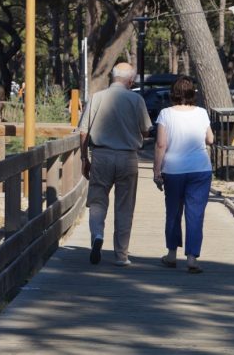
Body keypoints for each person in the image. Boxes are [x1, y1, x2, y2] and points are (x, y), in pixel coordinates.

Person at [79, 63, 152, 266]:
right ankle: (121, 255)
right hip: (127, 157)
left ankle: (97, 234)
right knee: (124, 206)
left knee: (97, 200)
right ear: (130, 81)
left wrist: (84, 158)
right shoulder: (136, 99)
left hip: (101, 155)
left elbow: (84, 131)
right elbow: (146, 130)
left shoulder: (96, 98)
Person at [153, 76, 213, 273]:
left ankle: (171, 255)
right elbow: (210, 139)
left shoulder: (165, 114)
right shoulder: (202, 113)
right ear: (192, 93)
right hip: (200, 169)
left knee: (173, 212)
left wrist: (156, 170)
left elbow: (161, 144)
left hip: (174, 170)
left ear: (173, 93)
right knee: (195, 214)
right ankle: (192, 258)